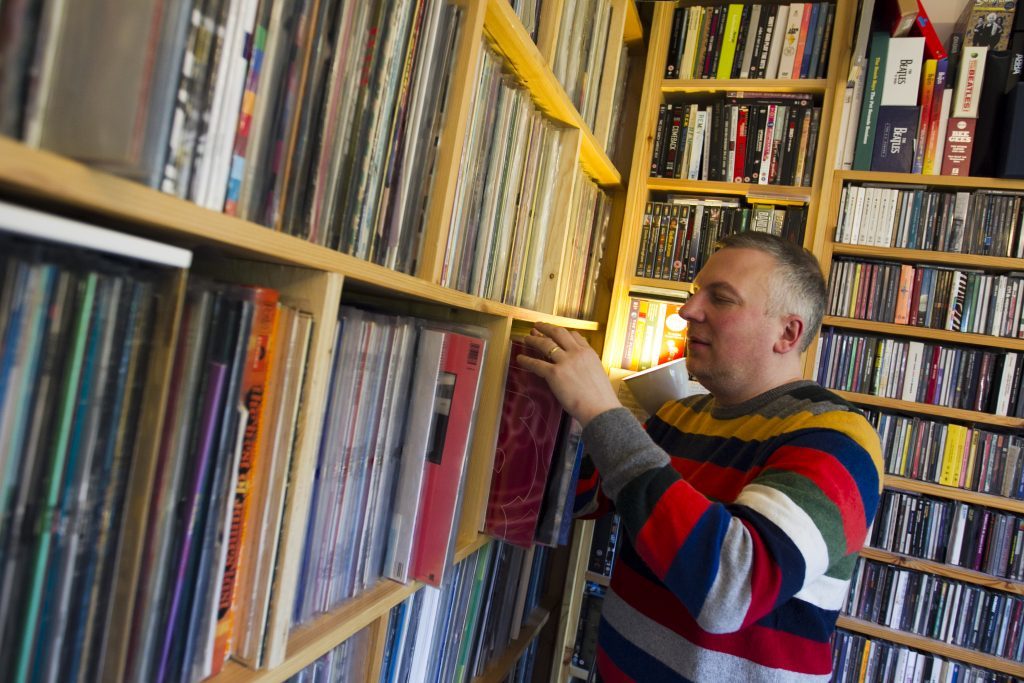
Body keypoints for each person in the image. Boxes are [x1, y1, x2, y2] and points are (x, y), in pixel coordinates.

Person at [519, 232, 883, 682]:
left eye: (722, 299)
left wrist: (600, 410)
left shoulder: (839, 440)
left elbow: (730, 591)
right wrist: (538, 407)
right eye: (693, 295)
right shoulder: (677, 416)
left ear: (787, 333)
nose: (687, 311)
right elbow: (581, 496)